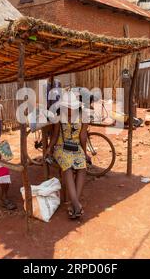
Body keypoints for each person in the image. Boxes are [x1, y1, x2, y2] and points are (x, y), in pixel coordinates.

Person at [45, 92, 89, 220]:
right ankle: (76, 204)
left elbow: (83, 136)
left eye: (71, 107)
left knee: (82, 166)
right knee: (68, 166)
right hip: (61, 147)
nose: (68, 110)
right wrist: (49, 148)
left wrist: (85, 153)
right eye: (67, 107)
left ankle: (73, 204)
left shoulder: (84, 116)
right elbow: (55, 135)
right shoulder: (60, 116)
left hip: (76, 147)